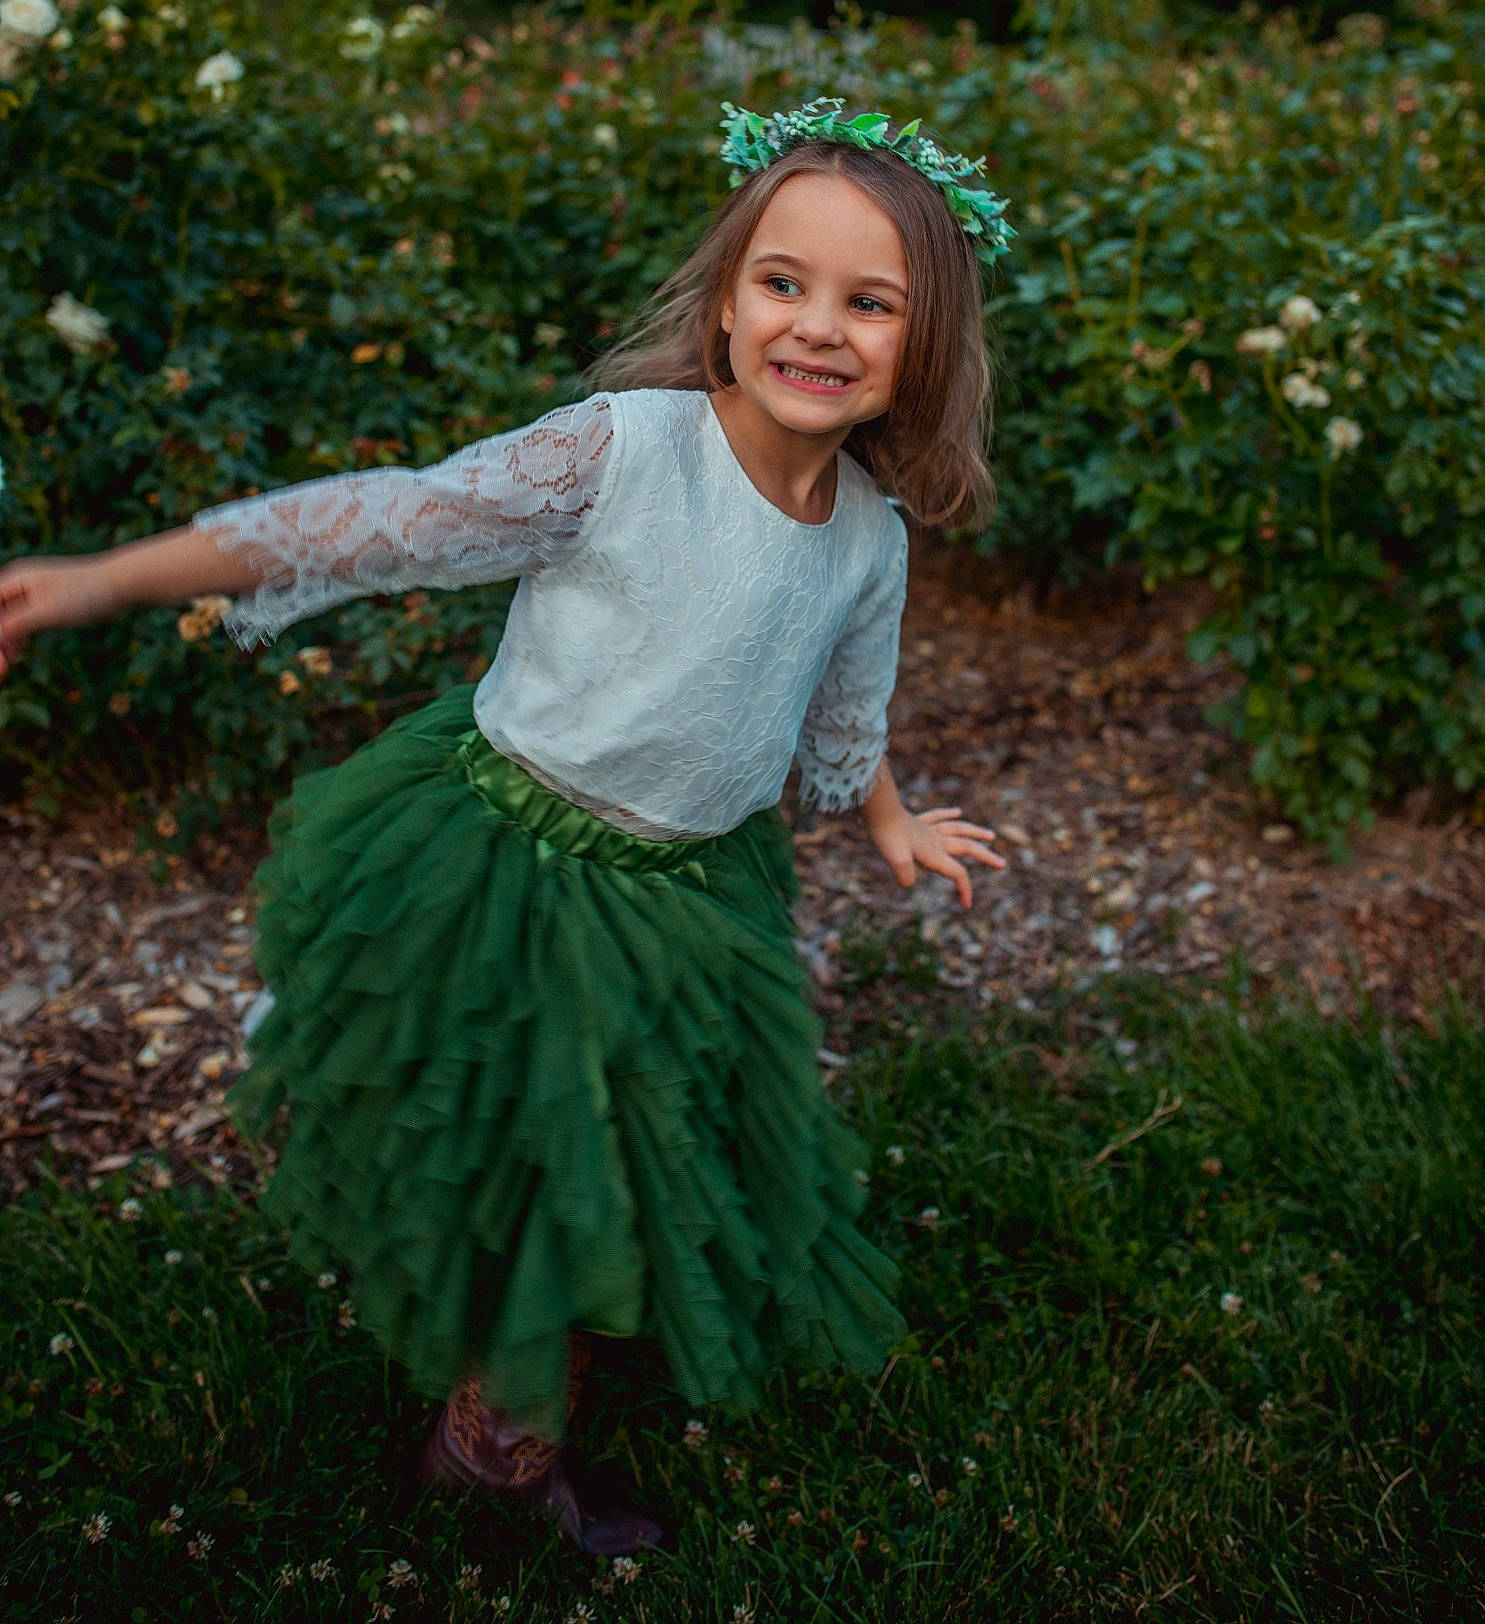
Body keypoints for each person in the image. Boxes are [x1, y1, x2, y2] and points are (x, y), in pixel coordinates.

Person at [0, 98, 1010, 1556]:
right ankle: (498, 1454)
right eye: (783, 283)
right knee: (533, 1168)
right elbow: (376, 523)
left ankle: (497, 1439)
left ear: (926, 342)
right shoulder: (623, 454)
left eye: (872, 303)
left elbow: (844, 710)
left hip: (685, 899)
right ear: (725, 300)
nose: (818, 328)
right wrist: (101, 580)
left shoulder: (866, 536)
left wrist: (894, 819)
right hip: (507, 864)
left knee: (626, 1172)